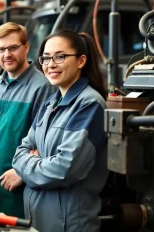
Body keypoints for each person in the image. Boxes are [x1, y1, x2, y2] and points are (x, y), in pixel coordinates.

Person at [12, 29, 108, 232]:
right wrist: (39, 162)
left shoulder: (89, 104)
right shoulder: (50, 103)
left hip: (68, 223)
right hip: (38, 220)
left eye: (60, 57)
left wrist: (28, 167)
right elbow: (20, 151)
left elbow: (65, 168)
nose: (50, 64)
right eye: (46, 58)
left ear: (81, 61)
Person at [0, 22, 55, 217]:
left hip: (21, 186)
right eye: (1, 49)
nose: (7, 54)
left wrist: (23, 173)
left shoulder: (42, 87)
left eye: (13, 47)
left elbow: (46, 142)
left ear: (26, 47)